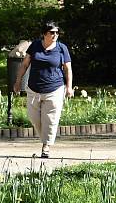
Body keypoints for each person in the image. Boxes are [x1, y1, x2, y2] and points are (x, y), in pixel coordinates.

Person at [13, 21, 74, 158]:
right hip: (34, 88)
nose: (55, 35)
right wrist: (18, 82)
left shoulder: (61, 48)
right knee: (34, 118)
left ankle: (46, 146)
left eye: (57, 33)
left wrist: (69, 87)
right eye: (52, 32)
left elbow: (67, 69)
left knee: (51, 119)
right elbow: (24, 65)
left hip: (55, 88)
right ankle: (45, 138)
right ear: (44, 34)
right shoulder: (35, 45)